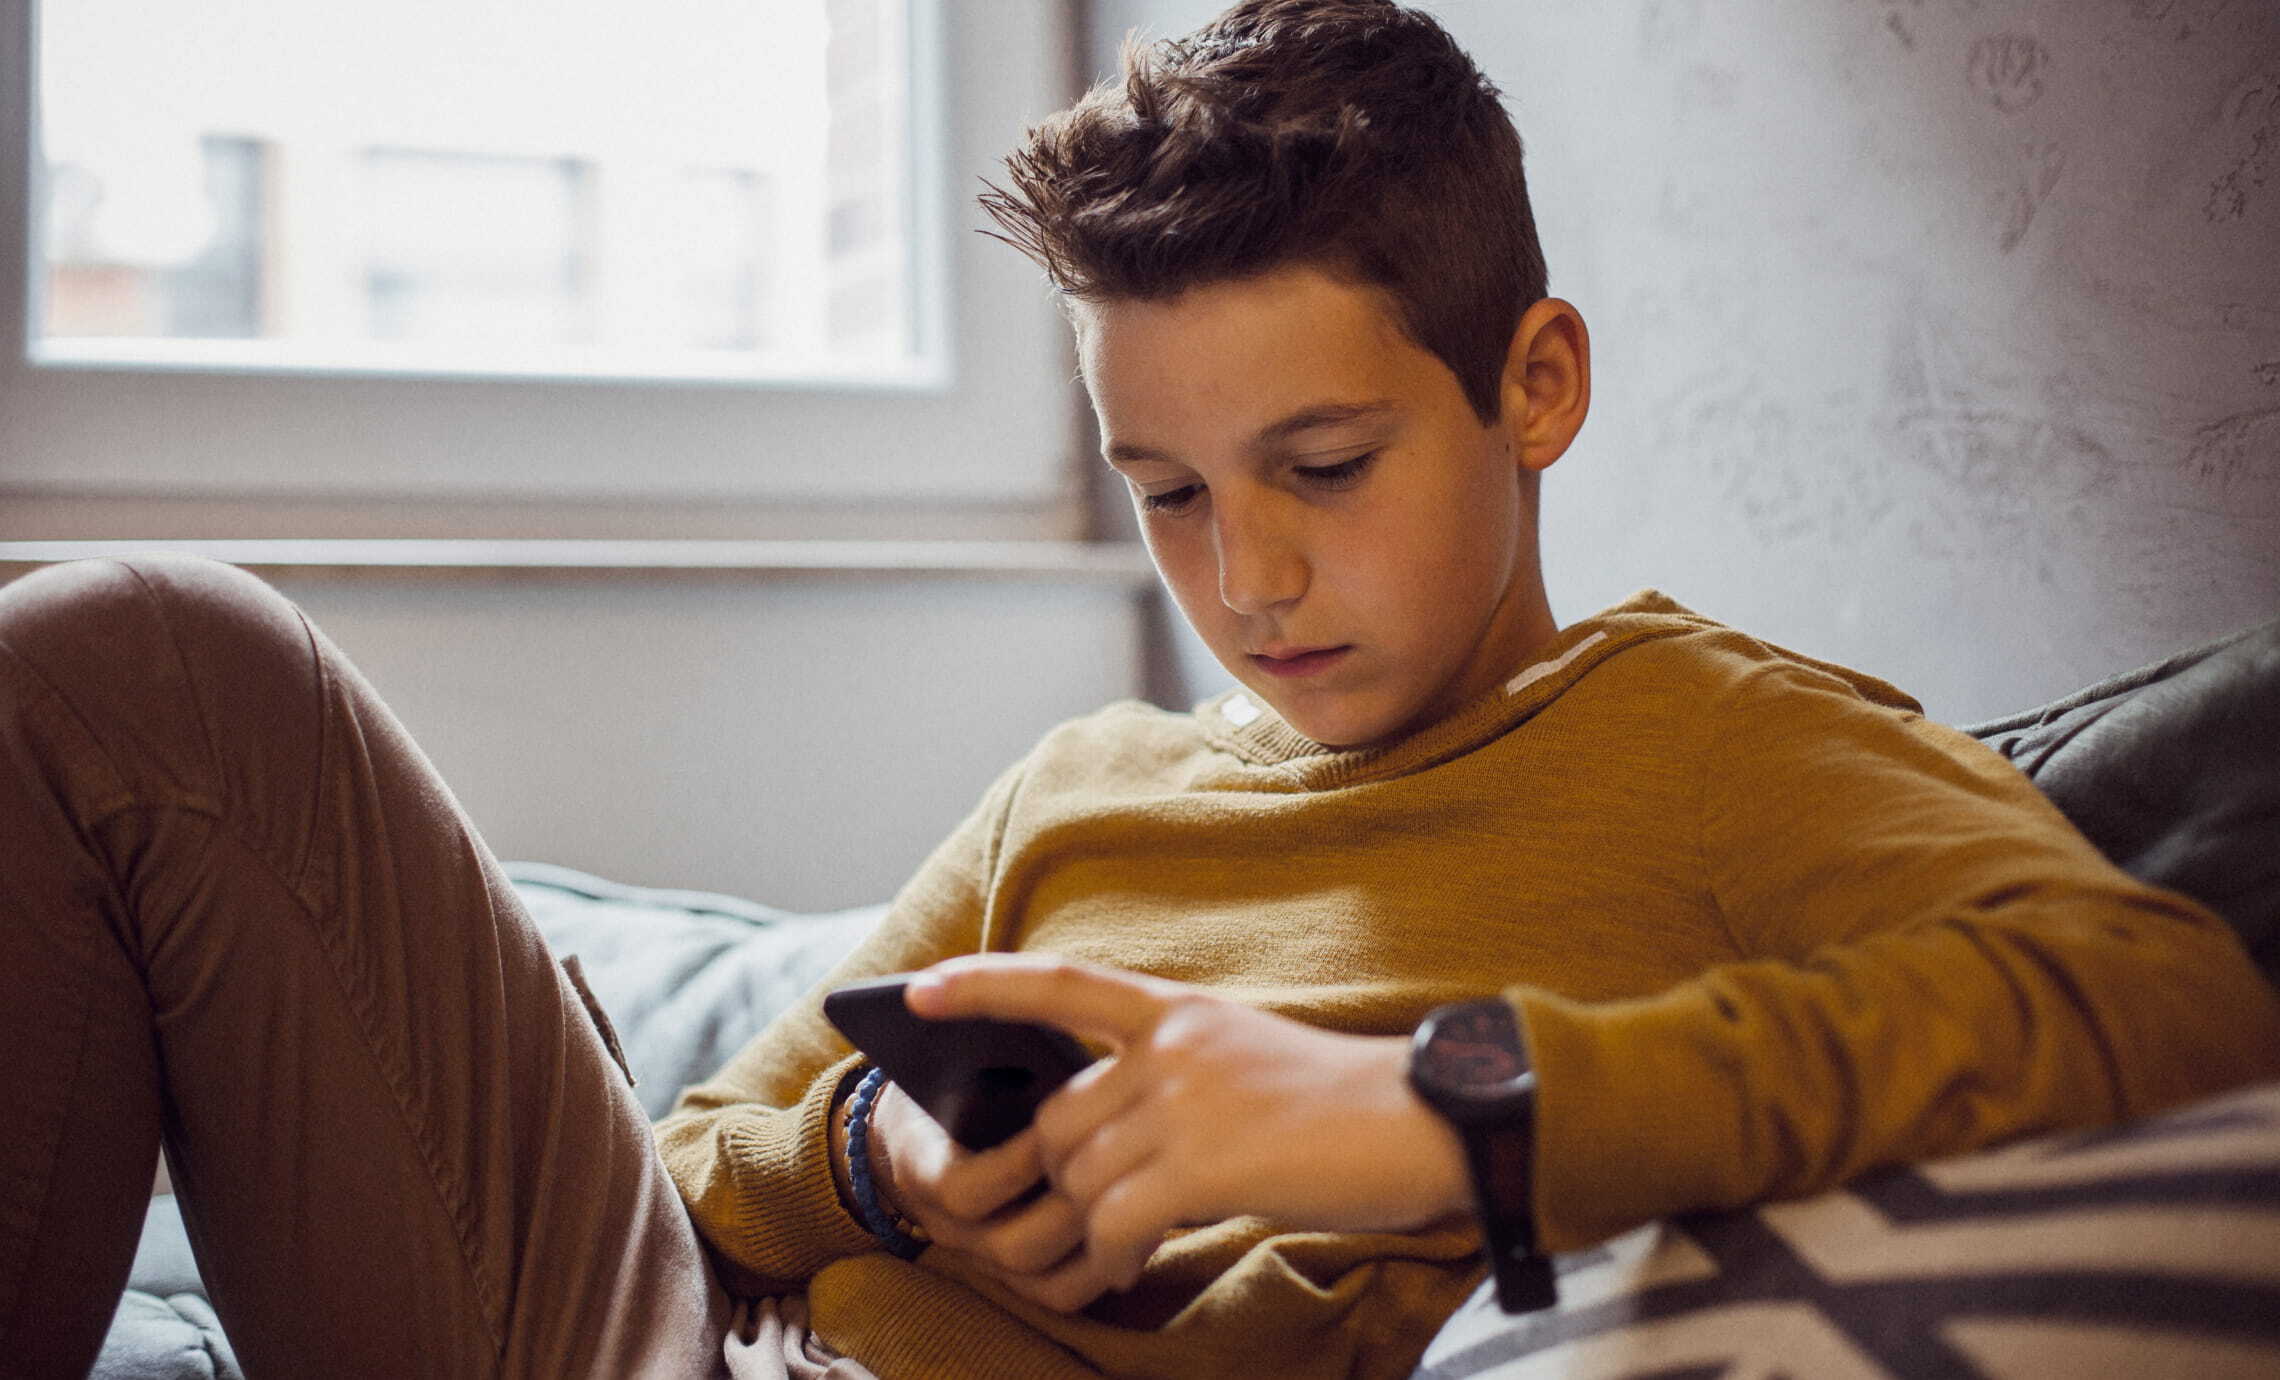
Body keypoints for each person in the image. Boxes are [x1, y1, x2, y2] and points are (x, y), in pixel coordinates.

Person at [1, 4, 2273, 1380]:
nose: (1247, 578)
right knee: (103, 665)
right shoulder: (1081, 791)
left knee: (140, 659)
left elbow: (2157, 998)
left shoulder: (1725, 743)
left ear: (1536, 383)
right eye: (1166, 492)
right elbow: (697, 1167)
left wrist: (1426, 1117)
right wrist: (883, 1166)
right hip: (662, 1338)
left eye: (1323, 468)